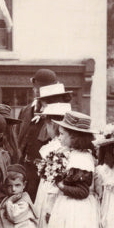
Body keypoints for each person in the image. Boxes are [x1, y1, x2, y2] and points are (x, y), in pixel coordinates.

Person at [29, 101, 70, 228]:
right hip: (46, 189)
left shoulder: (59, 147)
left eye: (47, 123)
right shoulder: (52, 144)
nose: (46, 127)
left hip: (55, 192)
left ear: (54, 124)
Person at [18, 70, 72, 199]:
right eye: (36, 87)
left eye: (43, 87)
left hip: (46, 170)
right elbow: (19, 139)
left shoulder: (59, 112)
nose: (38, 90)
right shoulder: (26, 110)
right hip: (25, 167)